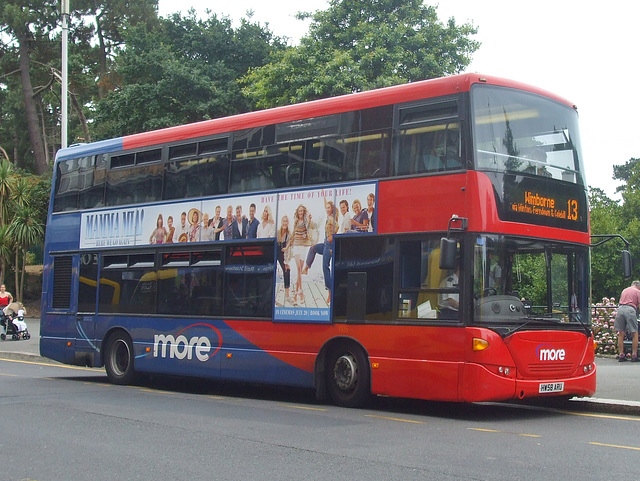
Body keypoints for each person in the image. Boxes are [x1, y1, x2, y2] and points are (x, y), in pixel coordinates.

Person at [302, 197, 336, 304]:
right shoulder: (328, 216)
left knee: (325, 267)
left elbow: (337, 227)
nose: (326, 209)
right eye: (326, 208)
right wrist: (324, 195)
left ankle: (330, 295)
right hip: (325, 244)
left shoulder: (332, 218)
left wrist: (333, 236)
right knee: (313, 248)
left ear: (332, 209)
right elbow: (326, 204)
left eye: (328, 208)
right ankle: (307, 267)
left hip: (329, 246)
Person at [286, 204, 316, 305]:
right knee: (299, 269)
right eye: (299, 211)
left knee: (300, 271)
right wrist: (287, 246)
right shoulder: (295, 222)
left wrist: (310, 220)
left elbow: (309, 228)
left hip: (303, 247)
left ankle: (296, 294)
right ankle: (300, 292)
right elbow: (293, 234)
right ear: (297, 212)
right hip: (296, 246)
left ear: (304, 212)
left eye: (302, 211)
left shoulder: (306, 221)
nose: (300, 212)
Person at [615, 280, 640, 362]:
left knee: (621, 333)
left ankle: (621, 354)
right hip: (630, 309)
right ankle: (634, 355)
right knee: (634, 332)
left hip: (620, 309)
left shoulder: (625, 290)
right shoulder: (637, 291)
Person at [277, 215, 292, 304]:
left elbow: (288, 250)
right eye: (283, 221)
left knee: (287, 270)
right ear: (281, 222)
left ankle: (287, 295)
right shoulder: (278, 232)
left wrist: (286, 262)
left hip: (283, 253)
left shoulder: (289, 235)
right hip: (276, 251)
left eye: (286, 221)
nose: (285, 223)